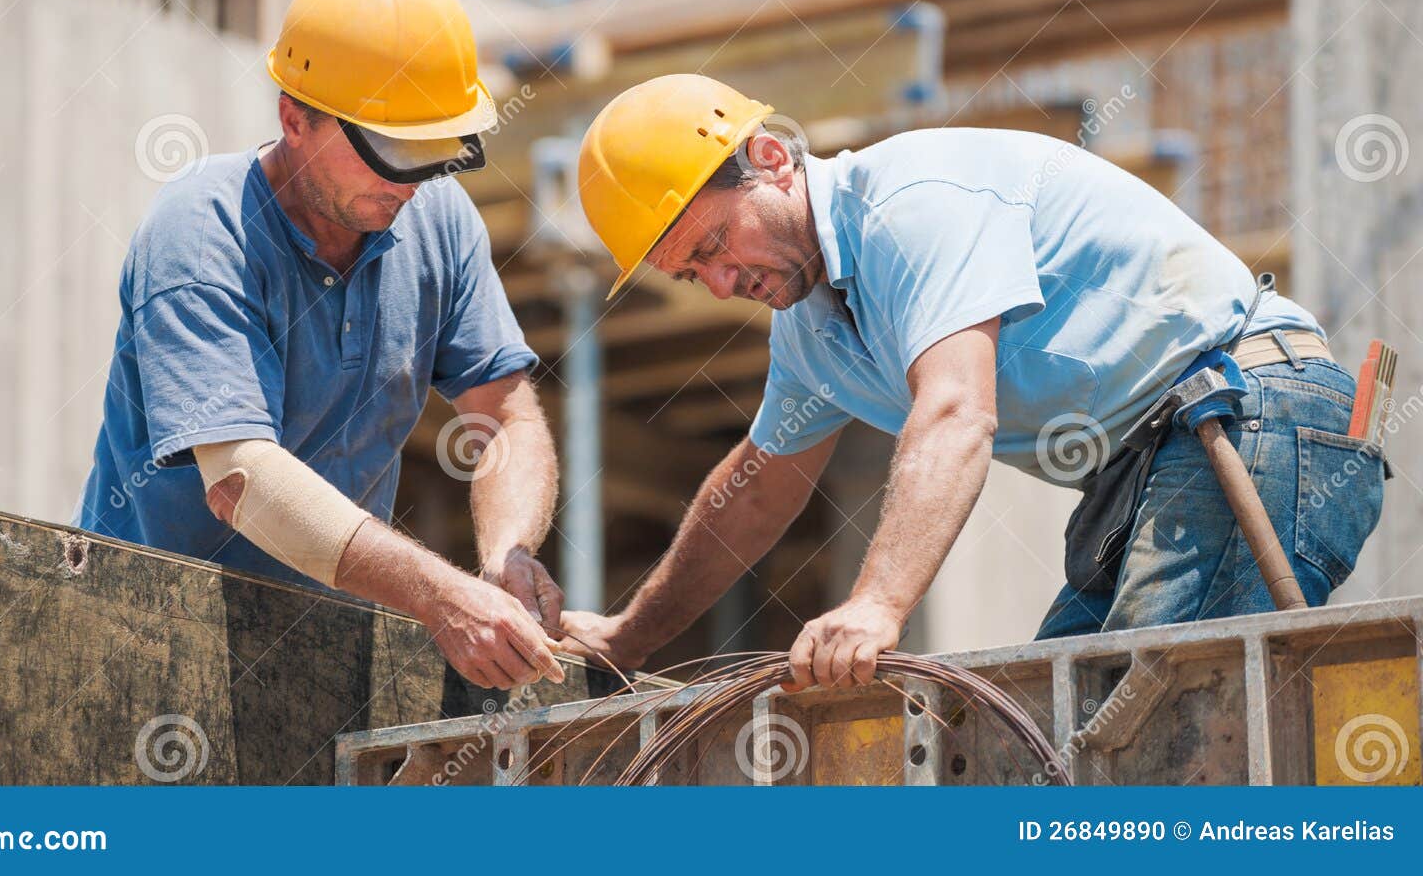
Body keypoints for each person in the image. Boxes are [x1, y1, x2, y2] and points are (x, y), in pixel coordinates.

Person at [558, 73, 1384, 689]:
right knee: (1043, 741)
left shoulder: (910, 205)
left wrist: (877, 605)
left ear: (771, 159)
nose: (722, 281)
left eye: (713, 245)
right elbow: (753, 494)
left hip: (1255, 411)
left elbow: (956, 413)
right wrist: (628, 637)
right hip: (1155, 467)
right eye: (692, 274)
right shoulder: (811, 329)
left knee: (1144, 733)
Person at [76, 0, 564, 690]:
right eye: (388, 151)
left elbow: (508, 417)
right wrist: (438, 594)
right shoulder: (202, 233)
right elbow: (243, 479)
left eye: (431, 152)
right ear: (293, 118)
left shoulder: (438, 221)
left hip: (321, 654)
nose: (409, 181)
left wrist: (507, 557)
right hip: (143, 641)